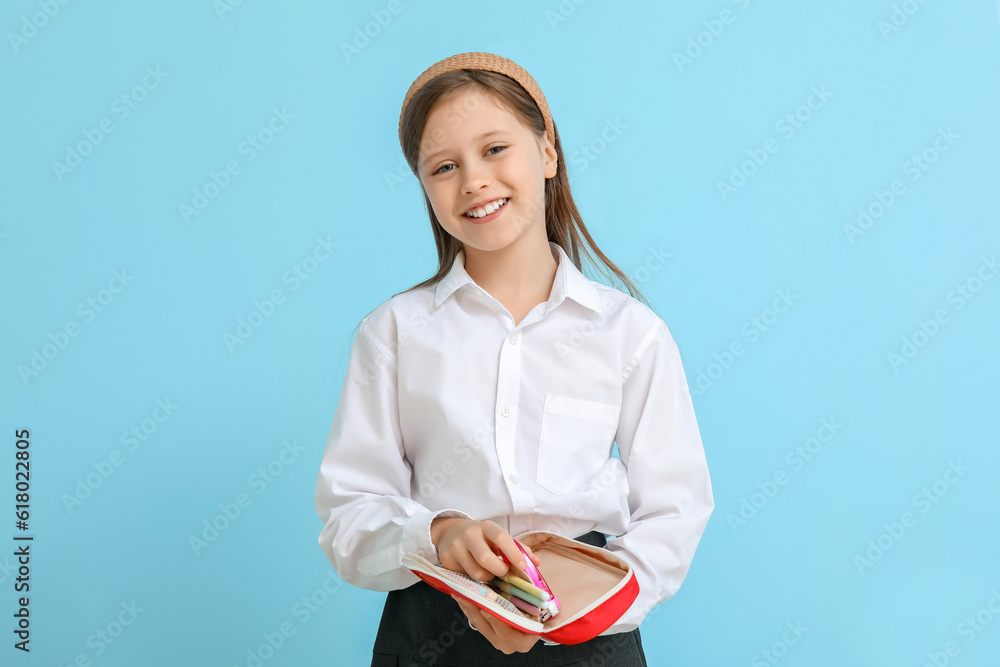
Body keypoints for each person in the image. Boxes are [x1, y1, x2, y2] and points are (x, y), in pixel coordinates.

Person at [314, 51, 715, 666]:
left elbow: (675, 509)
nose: (474, 179)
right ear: (425, 187)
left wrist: (580, 616)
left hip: (586, 630)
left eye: (495, 149)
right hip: (433, 630)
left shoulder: (629, 333)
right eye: (444, 166)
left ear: (548, 153)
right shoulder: (393, 332)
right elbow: (349, 515)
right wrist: (439, 534)